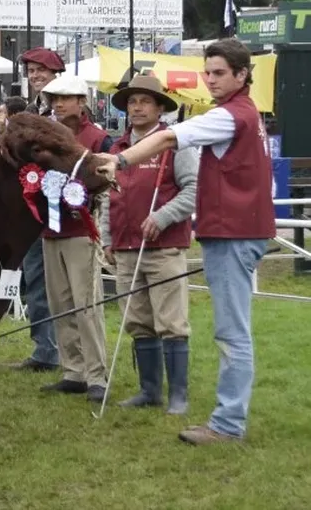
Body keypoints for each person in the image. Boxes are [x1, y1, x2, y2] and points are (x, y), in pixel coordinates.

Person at [96, 39, 275, 445]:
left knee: (232, 333)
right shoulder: (245, 114)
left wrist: (119, 160)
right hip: (234, 233)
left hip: (233, 234)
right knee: (232, 331)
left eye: (219, 73)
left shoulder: (230, 116)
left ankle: (228, 424)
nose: (210, 80)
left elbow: (166, 139)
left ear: (242, 75)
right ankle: (214, 414)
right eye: (207, 72)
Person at [99, 74, 198, 415]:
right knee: (138, 320)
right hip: (125, 248)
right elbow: (107, 199)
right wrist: (108, 238)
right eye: (131, 101)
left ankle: (179, 396)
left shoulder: (174, 144)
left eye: (144, 101)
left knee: (171, 321)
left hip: (164, 246)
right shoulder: (116, 149)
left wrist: (163, 216)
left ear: (160, 108)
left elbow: (193, 190)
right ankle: (150, 390)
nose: (137, 107)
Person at [37, 74, 113, 403]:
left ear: (82, 102)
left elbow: (109, 184)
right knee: (59, 303)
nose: (58, 102)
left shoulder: (98, 139)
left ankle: (97, 374)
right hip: (49, 227)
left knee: (87, 304)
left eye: (65, 97)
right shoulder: (42, 135)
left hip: (83, 227)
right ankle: (73, 370)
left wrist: (103, 226)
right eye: (54, 97)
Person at [0, 48, 67, 374]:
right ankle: (45, 349)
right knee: (36, 280)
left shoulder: (67, 109)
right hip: (32, 208)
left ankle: (71, 354)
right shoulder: (33, 110)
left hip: (66, 207)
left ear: (56, 74)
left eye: (42, 70)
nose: (36, 75)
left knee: (64, 286)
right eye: (32, 71)